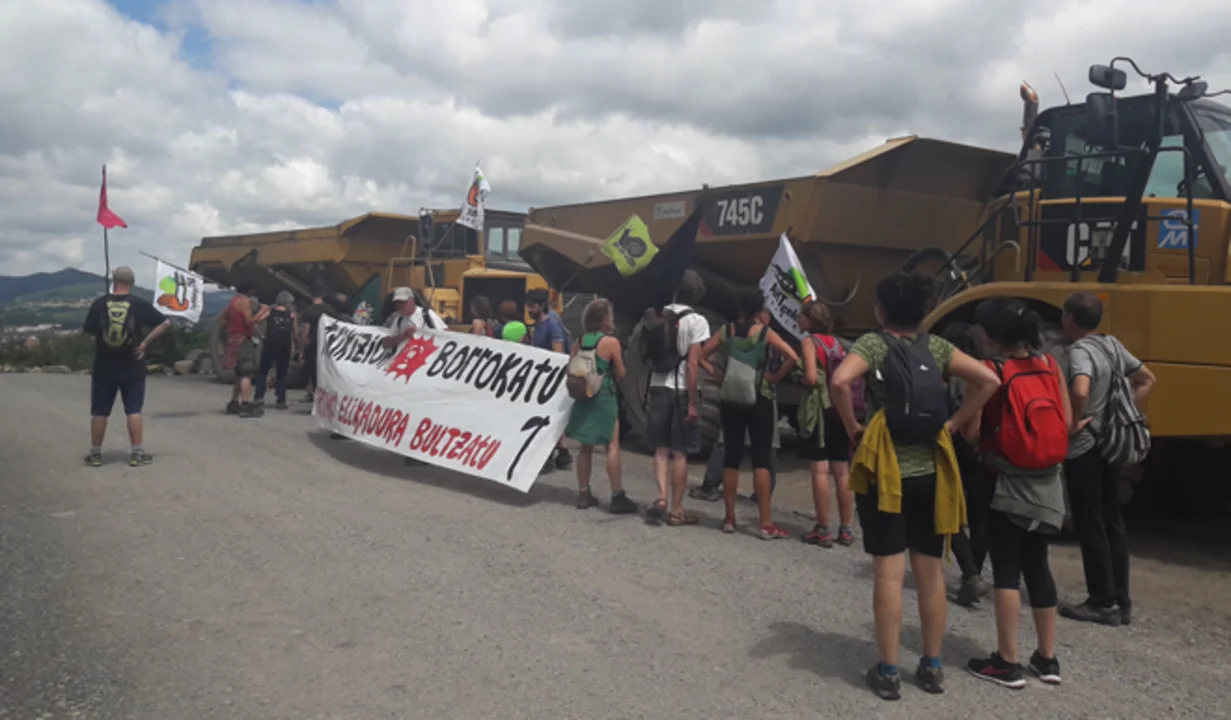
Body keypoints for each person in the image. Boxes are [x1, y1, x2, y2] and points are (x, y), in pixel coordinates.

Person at [830, 272, 1000, 700]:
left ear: (880, 309)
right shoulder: (937, 347)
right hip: (931, 473)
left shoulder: (873, 344)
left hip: (887, 474)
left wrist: (853, 427)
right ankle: (931, 666)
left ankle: (888, 671)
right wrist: (954, 424)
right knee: (930, 573)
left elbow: (839, 381)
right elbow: (989, 381)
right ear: (923, 312)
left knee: (888, 574)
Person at [966, 297, 1069, 688]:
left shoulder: (988, 370)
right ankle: (1047, 658)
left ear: (990, 334)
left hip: (1003, 479)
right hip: (1047, 480)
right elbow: (1067, 420)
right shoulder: (1049, 364)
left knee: (1006, 569)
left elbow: (972, 431)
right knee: (1038, 565)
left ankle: (1006, 661)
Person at [1060, 291, 1156, 627]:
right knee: (1112, 520)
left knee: (1091, 523)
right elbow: (1147, 378)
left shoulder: (1080, 351)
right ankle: (1121, 601)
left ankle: (1102, 601)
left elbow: (1080, 389)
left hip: (1086, 447)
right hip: (1112, 447)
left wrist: (1073, 423)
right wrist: (1122, 411)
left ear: (1069, 318)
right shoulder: (1112, 345)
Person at [698, 289, 798, 539]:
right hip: (759, 397)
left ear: (739, 308)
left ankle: (729, 518)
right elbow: (792, 356)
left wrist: (718, 375)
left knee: (731, 457)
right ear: (760, 310)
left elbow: (702, 356)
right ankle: (765, 523)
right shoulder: (765, 333)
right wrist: (775, 376)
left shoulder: (727, 331)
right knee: (761, 459)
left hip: (731, 397)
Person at [82, 266, 172, 467]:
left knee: (100, 411)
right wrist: (145, 343)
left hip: (104, 365)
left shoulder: (99, 304)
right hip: (132, 364)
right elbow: (165, 323)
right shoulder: (138, 304)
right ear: (132, 283)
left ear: (114, 281)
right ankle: (137, 453)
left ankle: (95, 454)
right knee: (133, 410)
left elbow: (89, 332)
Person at [645, 270, 710, 527]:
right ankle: (677, 511)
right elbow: (693, 364)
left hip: (657, 386)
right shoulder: (697, 321)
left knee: (661, 449)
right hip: (682, 388)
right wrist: (692, 402)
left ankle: (661, 497)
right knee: (680, 452)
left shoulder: (656, 315)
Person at [566, 298, 638, 514]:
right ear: (606, 319)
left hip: (584, 397)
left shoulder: (579, 341)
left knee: (585, 447)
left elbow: (571, 367)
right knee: (612, 446)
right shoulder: (611, 342)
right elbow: (621, 372)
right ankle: (617, 495)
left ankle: (583, 493)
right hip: (604, 396)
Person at [797, 300, 856, 548]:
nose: (798, 319)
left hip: (819, 410)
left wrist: (801, 378)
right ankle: (846, 528)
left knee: (820, 469)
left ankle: (822, 528)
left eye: (802, 316)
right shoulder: (838, 344)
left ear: (810, 320)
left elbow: (812, 377)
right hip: (838, 409)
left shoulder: (809, 342)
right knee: (842, 470)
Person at [943, 321, 992, 606]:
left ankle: (971, 574)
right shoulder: (990, 369)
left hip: (960, 447)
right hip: (986, 451)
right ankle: (975, 573)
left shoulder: (959, 375)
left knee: (948, 511)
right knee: (979, 516)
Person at [525, 288, 573, 474]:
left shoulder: (552, 325)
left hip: (550, 381)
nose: (529, 310)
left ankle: (547, 457)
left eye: (532, 306)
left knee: (545, 419)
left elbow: (558, 354)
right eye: (528, 305)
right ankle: (563, 454)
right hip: (541, 379)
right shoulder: (538, 326)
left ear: (542, 306)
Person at [222, 282, 269, 418]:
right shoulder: (244, 302)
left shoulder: (233, 302)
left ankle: (233, 402)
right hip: (242, 340)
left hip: (232, 337)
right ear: (250, 291)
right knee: (246, 373)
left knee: (238, 373)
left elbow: (222, 318)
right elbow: (249, 321)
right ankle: (246, 404)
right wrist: (262, 311)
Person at [254, 291, 298, 410]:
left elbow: (255, 323)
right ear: (288, 303)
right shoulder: (292, 315)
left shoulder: (269, 312)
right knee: (282, 373)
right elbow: (295, 333)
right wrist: (298, 346)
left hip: (270, 344)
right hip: (285, 346)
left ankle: (259, 397)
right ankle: (281, 400)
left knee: (263, 371)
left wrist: (260, 336)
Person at [298, 287, 339, 403]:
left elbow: (306, 329)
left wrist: (301, 346)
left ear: (312, 297)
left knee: (311, 369)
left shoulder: (308, 311)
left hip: (312, 343)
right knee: (325, 369)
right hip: (326, 344)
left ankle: (313, 393)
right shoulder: (331, 311)